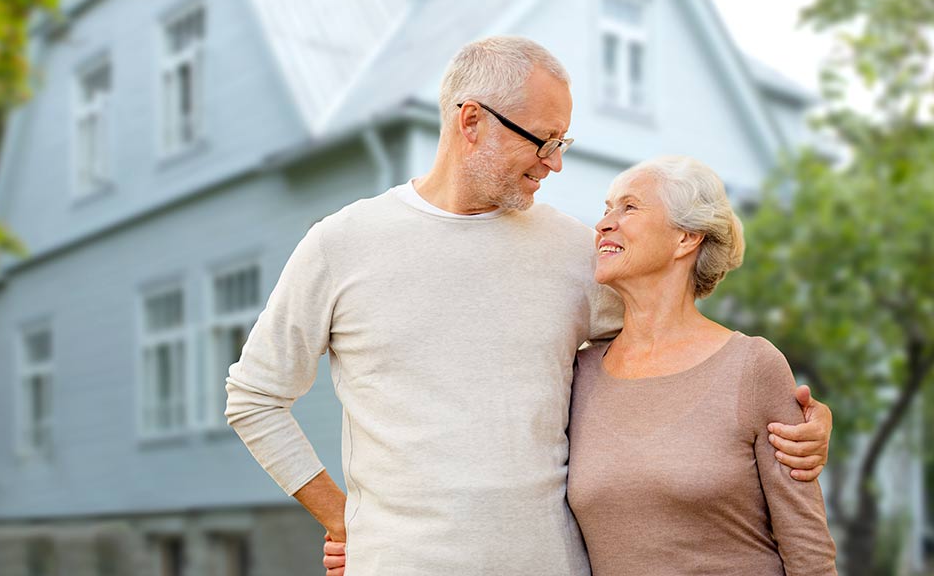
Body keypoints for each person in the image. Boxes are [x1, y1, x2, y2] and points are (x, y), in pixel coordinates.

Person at [225, 36, 832, 576]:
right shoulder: (342, 243)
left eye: (563, 142)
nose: (556, 162)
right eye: (543, 140)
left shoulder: (575, 251)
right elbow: (255, 398)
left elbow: (677, 352)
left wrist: (794, 424)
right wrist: (342, 518)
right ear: (471, 123)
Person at [567, 156, 837, 574]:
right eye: (606, 209)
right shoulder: (579, 373)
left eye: (629, 207)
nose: (603, 223)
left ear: (686, 238)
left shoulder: (752, 366)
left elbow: (808, 547)